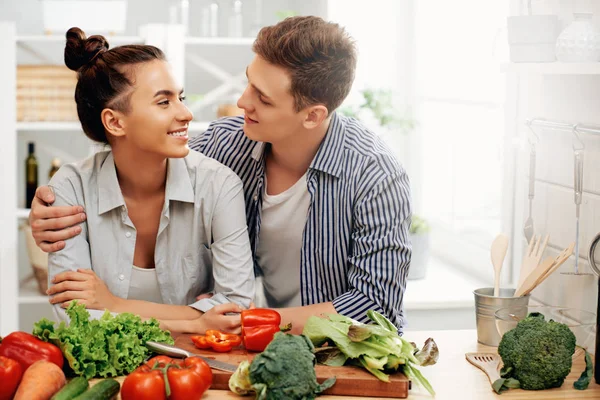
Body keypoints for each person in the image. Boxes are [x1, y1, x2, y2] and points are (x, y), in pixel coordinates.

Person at [30, 16, 412, 334]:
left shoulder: (375, 174)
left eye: (263, 98)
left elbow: (374, 307)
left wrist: (238, 320)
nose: (243, 101)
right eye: (249, 81)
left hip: (346, 352)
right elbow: (142, 153)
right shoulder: (226, 147)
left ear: (312, 115)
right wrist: (46, 207)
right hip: (256, 345)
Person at [41, 27, 254, 334]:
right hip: (104, 370)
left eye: (180, 98)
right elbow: (75, 318)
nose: (187, 113)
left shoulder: (218, 184)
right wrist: (193, 322)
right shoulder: (70, 189)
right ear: (115, 122)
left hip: (197, 368)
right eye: (163, 102)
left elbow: (235, 308)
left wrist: (113, 304)